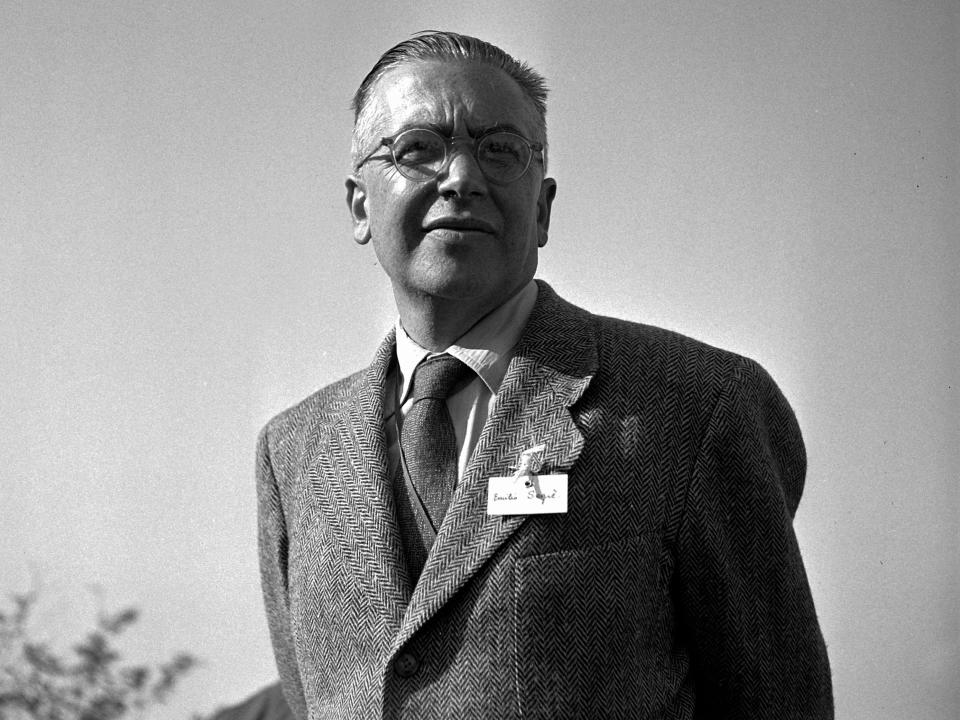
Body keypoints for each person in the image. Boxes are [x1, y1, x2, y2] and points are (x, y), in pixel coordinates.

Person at [256, 31, 833, 719]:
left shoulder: (696, 408)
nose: (462, 177)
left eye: (499, 150)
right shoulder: (291, 455)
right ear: (359, 206)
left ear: (542, 207)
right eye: (418, 149)